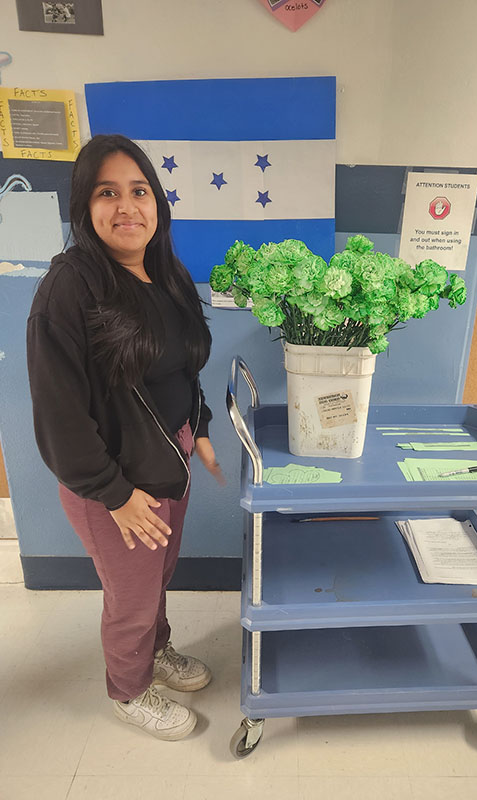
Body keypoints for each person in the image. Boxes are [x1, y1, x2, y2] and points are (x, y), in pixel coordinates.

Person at [27, 134, 224, 741]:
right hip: (113, 484)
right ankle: (129, 688)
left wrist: (202, 428)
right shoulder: (71, 287)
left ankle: (155, 654)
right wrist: (114, 493)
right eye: (106, 193)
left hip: (170, 461)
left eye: (139, 191)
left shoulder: (165, 273)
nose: (126, 206)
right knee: (132, 598)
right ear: (84, 207)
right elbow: (59, 413)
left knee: (155, 579)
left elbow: (182, 366)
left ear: (157, 202)